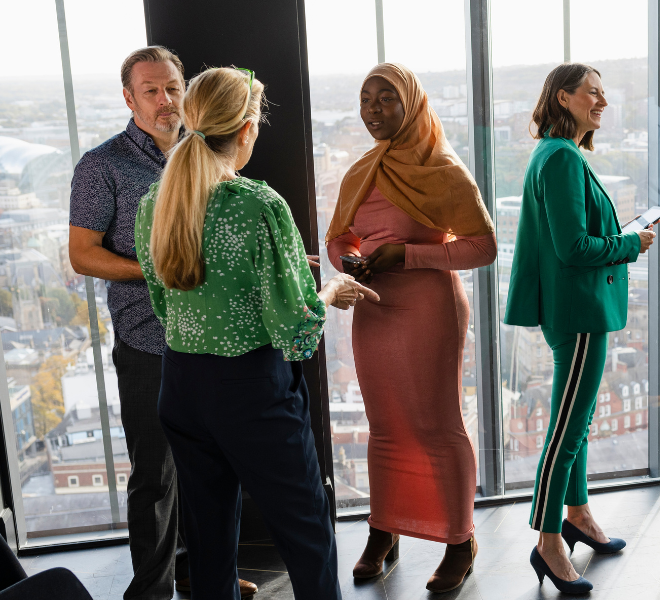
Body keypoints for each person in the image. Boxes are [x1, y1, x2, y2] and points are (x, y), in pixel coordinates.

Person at [134, 66, 376, 600]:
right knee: (307, 532)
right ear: (246, 129)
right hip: (249, 393)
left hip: (180, 386)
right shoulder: (257, 204)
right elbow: (295, 329)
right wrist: (330, 292)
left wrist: (282, 264)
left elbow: (162, 297)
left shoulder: (157, 201)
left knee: (209, 536)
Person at [67, 46, 258, 599]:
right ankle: (151, 590)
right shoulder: (102, 166)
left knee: (210, 471)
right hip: (148, 342)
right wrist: (158, 273)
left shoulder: (211, 153)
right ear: (129, 99)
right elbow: (83, 254)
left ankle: (206, 576)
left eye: (173, 87)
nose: (165, 99)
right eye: (151, 90)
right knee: (156, 478)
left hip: (213, 339)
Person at [325, 63, 497, 591]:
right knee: (385, 426)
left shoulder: (443, 170)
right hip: (374, 306)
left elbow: (482, 247)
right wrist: (349, 259)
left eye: (386, 99)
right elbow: (339, 238)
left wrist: (408, 254)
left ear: (412, 104)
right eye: (365, 98)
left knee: (434, 426)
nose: (373, 110)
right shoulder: (362, 169)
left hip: (428, 308)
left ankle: (459, 539)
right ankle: (385, 529)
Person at [503, 62, 655, 594]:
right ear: (563, 98)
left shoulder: (557, 155)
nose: (603, 103)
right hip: (580, 312)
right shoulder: (562, 159)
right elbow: (574, 248)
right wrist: (632, 243)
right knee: (566, 431)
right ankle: (548, 541)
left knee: (579, 421)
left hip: (579, 310)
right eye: (593, 93)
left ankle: (579, 515)